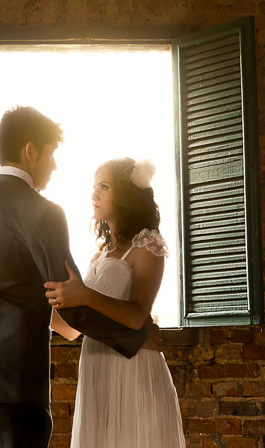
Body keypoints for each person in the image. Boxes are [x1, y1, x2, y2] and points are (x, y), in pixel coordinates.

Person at [0, 107, 157, 448]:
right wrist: (136, 338)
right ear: (30, 151)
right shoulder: (44, 213)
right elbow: (72, 301)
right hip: (15, 386)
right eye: (51, 154)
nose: (53, 165)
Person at [45, 157, 186, 448]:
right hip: (97, 367)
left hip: (132, 368)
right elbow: (72, 329)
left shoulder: (147, 244)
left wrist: (83, 295)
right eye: (94, 187)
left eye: (103, 187)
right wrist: (31, 298)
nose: (94, 195)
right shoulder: (101, 254)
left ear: (126, 195)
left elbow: (136, 317)